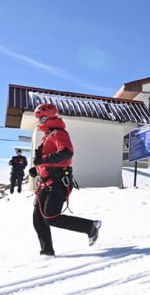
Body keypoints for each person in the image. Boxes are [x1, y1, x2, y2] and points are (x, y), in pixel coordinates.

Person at [28, 103, 101, 256]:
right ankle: (46, 252)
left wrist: (42, 160)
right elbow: (49, 160)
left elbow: (66, 153)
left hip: (58, 182)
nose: (38, 121)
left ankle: (90, 227)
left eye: (41, 118)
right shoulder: (47, 135)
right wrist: (37, 169)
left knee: (50, 217)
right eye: (38, 118)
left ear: (49, 117)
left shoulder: (59, 133)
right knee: (38, 218)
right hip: (46, 182)